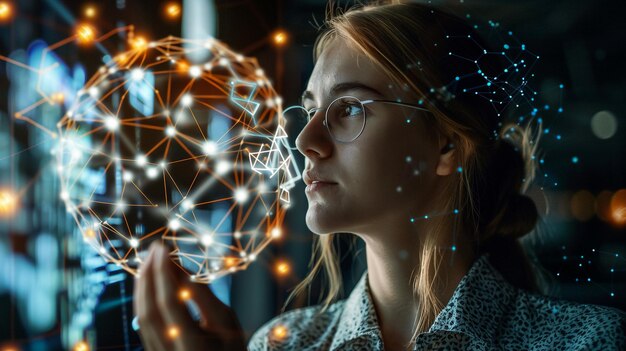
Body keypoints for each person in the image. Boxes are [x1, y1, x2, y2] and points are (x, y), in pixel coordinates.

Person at [133, 1, 626, 350]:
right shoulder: (283, 345)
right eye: (308, 110)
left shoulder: (591, 343)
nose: (306, 141)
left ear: (447, 144)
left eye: (347, 108)